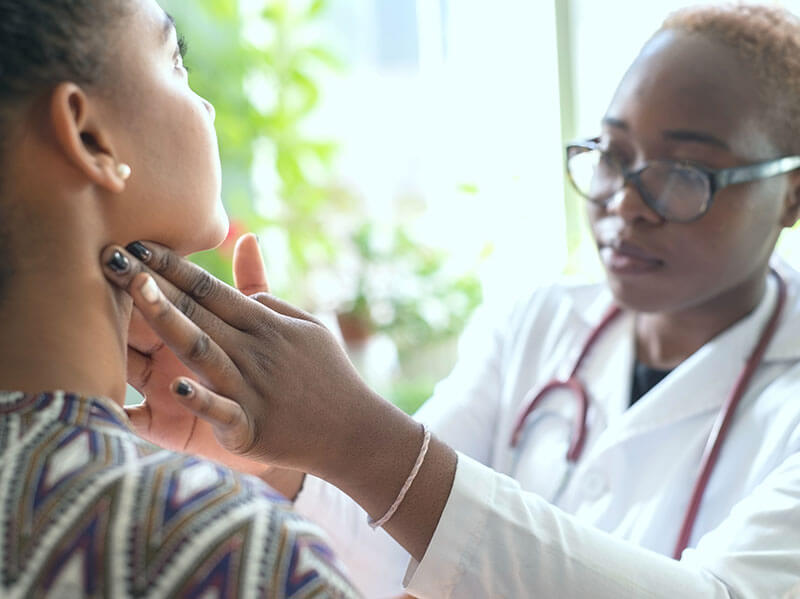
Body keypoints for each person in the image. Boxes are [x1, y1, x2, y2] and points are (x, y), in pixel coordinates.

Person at [102, 3, 800, 598]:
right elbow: (397, 539)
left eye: (682, 173)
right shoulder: (537, 321)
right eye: (612, 154)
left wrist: (358, 433)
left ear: (791, 190)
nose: (624, 202)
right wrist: (275, 454)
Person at [0, 1, 360, 597]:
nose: (207, 105)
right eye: (175, 61)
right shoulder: (214, 546)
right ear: (91, 138)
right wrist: (350, 441)